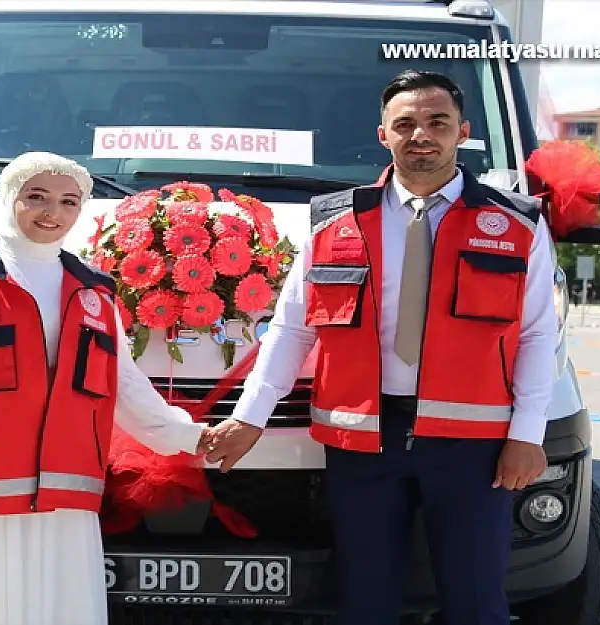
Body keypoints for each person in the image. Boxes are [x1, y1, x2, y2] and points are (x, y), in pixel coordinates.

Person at [208, 69, 558, 624]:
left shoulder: (517, 224)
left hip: (476, 448)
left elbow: (540, 334)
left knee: (476, 604)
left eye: (437, 121)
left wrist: (527, 435)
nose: (422, 134)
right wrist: (250, 417)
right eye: (406, 123)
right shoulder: (332, 221)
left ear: (463, 130)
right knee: (364, 602)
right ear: (383, 135)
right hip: (361, 441)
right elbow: (292, 328)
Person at [0, 151, 212, 625]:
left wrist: (191, 436)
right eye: (36, 197)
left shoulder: (96, 291)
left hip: (66, 489)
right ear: (8, 198)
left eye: (68, 201)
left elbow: (124, 383)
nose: (51, 213)